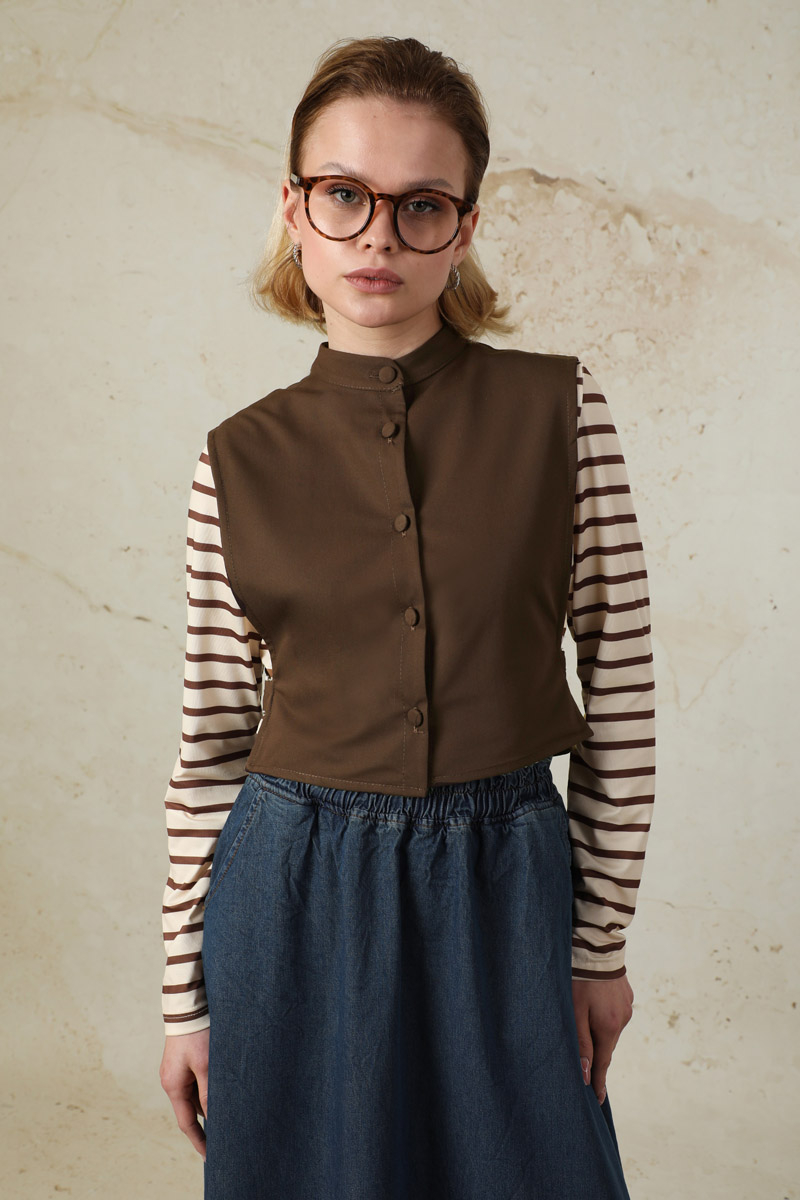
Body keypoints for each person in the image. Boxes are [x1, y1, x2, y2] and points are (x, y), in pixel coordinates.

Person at [158, 35, 654, 1200]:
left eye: (420, 204)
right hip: (291, 894)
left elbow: (621, 697)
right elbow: (211, 746)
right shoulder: (234, 460)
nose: (377, 236)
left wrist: (597, 947)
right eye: (344, 194)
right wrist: (184, 999)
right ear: (295, 208)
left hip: (506, 883)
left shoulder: (559, 411)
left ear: (464, 227)